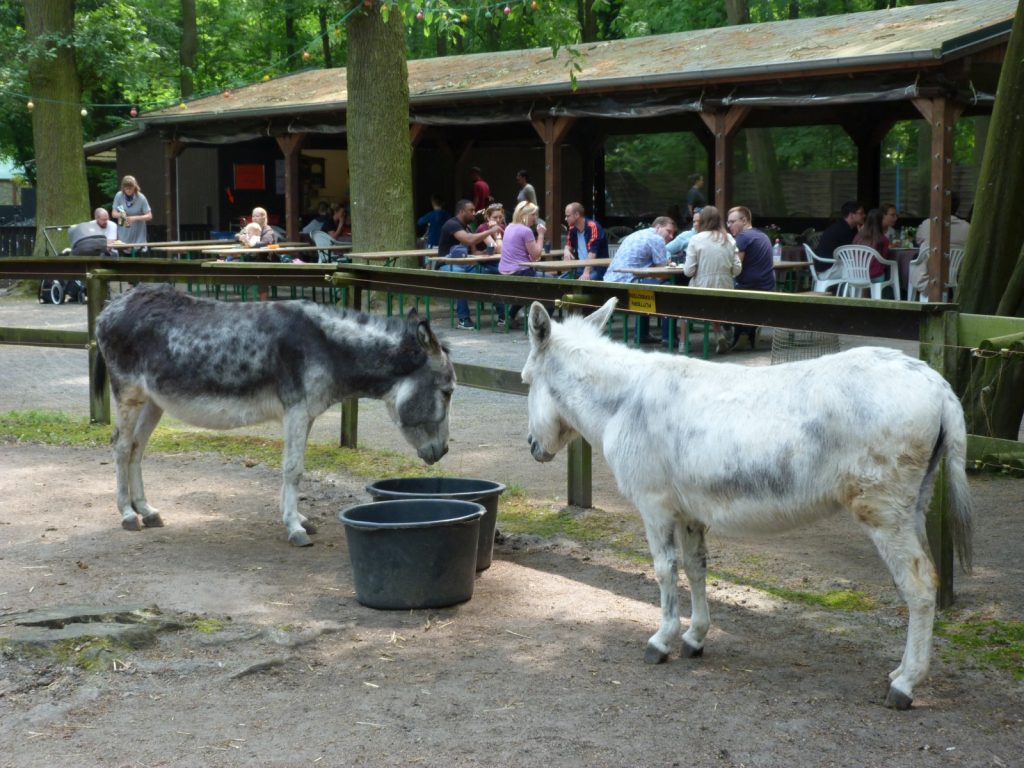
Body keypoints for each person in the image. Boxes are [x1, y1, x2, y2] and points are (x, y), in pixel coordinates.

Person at [604, 216, 677, 340]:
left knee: (648, 284)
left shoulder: (637, 234)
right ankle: (668, 338)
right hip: (626, 283)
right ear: (658, 227)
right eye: (668, 231)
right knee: (670, 287)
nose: (671, 236)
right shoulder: (657, 239)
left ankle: (642, 334)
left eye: (673, 234)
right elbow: (661, 272)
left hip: (609, 282)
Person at [682, 206, 741, 353]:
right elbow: (737, 269)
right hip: (725, 292)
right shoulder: (729, 238)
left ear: (702, 221)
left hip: (701, 292)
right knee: (714, 305)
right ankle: (718, 335)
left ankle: (682, 344)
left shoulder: (696, 239)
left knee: (680, 308)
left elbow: (688, 272)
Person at [437, 199, 503, 330]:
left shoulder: (467, 227)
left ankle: (504, 316)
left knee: (490, 276)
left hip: (466, 265)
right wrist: (491, 231)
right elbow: (468, 240)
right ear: (462, 212)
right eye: (471, 210)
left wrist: (485, 252)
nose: (474, 213)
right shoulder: (452, 224)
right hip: (446, 265)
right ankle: (463, 319)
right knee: (461, 279)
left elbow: (474, 252)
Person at [725, 206, 776, 350]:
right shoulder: (762, 235)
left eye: (732, 222)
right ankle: (746, 334)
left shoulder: (743, 237)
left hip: (748, 287)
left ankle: (732, 333)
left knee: (718, 294)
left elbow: (736, 267)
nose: (729, 226)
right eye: (728, 223)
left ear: (744, 220)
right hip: (768, 286)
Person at [910, 191, 970, 298]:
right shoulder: (967, 228)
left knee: (917, 260)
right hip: (955, 274)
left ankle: (916, 295)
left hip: (930, 274)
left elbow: (918, 240)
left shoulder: (927, 224)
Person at [812, 200, 865, 277]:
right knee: (862, 270)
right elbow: (852, 254)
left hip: (829, 265)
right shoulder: (843, 230)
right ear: (851, 215)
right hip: (828, 269)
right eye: (861, 213)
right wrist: (861, 235)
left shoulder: (844, 227)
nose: (864, 215)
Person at [562, 202, 608, 281]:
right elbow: (569, 245)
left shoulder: (593, 227)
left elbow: (592, 252)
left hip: (597, 268)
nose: (566, 219)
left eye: (568, 216)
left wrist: (586, 273)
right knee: (560, 281)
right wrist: (566, 250)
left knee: (582, 283)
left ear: (577, 215)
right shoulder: (572, 229)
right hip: (580, 267)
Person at [853, 208, 892, 286]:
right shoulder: (883, 239)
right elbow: (884, 259)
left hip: (856, 274)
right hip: (875, 276)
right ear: (880, 222)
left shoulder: (858, 236)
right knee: (890, 270)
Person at [112, 175, 152, 247]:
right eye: (126, 188)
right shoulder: (119, 196)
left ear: (135, 187)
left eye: (131, 188)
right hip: (124, 231)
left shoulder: (141, 197)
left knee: (138, 253)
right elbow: (113, 213)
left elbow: (149, 216)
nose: (129, 190)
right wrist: (122, 215)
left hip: (138, 233)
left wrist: (135, 218)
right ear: (123, 188)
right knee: (124, 252)